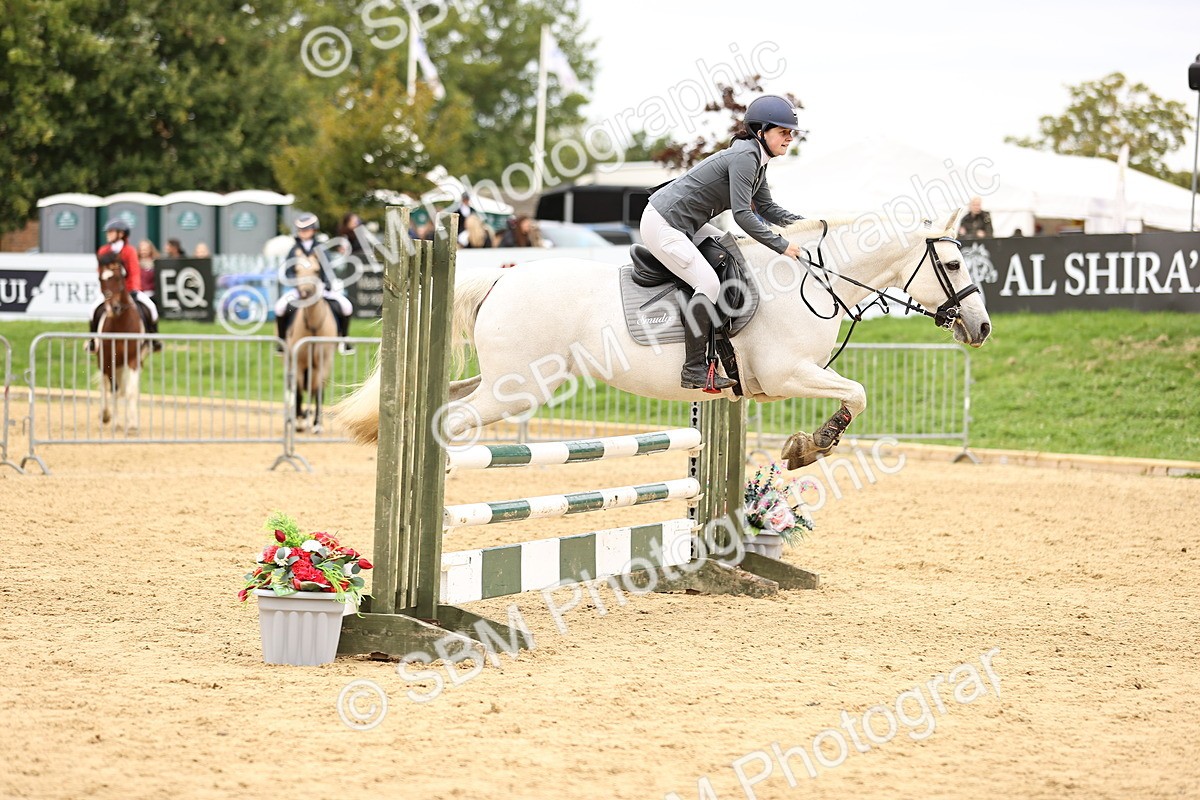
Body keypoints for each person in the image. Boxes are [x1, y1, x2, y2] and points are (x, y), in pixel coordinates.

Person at [640, 94, 806, 391]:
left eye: (790, 132)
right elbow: (743, 215)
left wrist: (806, 225)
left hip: (684, 223)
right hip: (663, 223)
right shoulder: (746, 157)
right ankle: (693, 368)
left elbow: (766, 207)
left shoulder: (758, 160)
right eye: (783, 132)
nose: (789, 138)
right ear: (761, 132)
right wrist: (781, 245)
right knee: (708, 283)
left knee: (734, 249)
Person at [273, 213, 355, 355]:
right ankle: (282, 342)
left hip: (320, 288)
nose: (303, 233)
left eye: (306, 229)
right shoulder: (294, 250)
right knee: (279, 307)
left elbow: (328, 269)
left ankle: (344, 340)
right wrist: (297, 285)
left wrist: (325, 284)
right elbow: (288, 271)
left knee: (347, 306)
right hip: (300, 289)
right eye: (301, 230)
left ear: (314, 230)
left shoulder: (321, 248)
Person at [89, 219, 161, 352]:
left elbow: (134, 271)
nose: (108, 234)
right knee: (93, 309)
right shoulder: (103, 250)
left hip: (130, 289)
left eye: (111, 232)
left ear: (121, 234)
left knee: (151, 308)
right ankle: (93, 341)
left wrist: (134, 289)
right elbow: (101, 273)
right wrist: (105, 291)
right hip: (110, 291)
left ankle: (153, 340)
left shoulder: (130, 251)